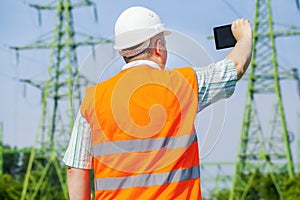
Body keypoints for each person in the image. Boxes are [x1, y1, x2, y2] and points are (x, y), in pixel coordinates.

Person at [63, 6, 252, 200]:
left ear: (122, 51)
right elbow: (235, 67)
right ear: (158, 47)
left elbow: (75, 168)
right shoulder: (183, 85)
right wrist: (244, 37)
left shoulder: (94, 99)